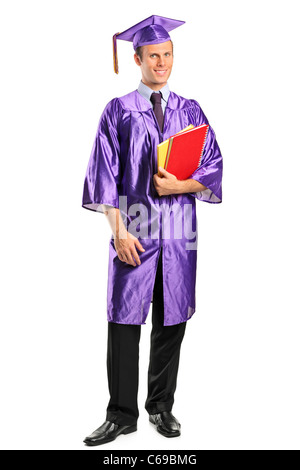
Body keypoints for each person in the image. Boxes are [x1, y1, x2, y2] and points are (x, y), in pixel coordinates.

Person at [82, 14, 223, 446]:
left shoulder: (191, 110)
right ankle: (120, 414)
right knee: (124, 320)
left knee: (171, 320)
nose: (161, 62)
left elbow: (214, 166)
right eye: (153, 56)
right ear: (138, 59)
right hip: (135, 226)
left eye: (167, 55)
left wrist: (182, 184)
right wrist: (118, 231)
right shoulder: (119, 111)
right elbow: (104, 177)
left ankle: (161, 407)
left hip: (180, 229)